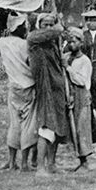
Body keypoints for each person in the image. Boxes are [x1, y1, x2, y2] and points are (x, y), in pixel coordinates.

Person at [28, 13, 69, 174]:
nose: (48, 27)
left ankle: (51, 164)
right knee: (46, 127)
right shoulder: (34, 39)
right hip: (45, 90)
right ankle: (40, 167)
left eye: (51, 24)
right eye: (44, 24)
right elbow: (51, 32)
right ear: (39, 25)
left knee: (58, 127)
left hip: (58, 90)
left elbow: (59, 66)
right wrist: (58, 27)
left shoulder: (54, 43)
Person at [0, 12, 37, 171]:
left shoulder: (2, 42)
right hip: (28, 87)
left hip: (13, 86)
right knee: (28, 124)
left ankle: (12, 160)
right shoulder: (26, 44)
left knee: (14, 123)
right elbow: (31, 65)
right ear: (21, 27)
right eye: (25, 26)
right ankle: (24, 163)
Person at [64, 26, 95, 170]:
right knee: (73, 126)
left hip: (81, 95)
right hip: (71, 94)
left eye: (75, 41)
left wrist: (68, 68)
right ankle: (79, 158)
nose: (72, 44)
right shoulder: (67, 57)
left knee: (82, 127)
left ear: (81, 43)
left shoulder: (85, 61)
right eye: (70, 41)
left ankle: (85, 161)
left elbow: (82, 81)